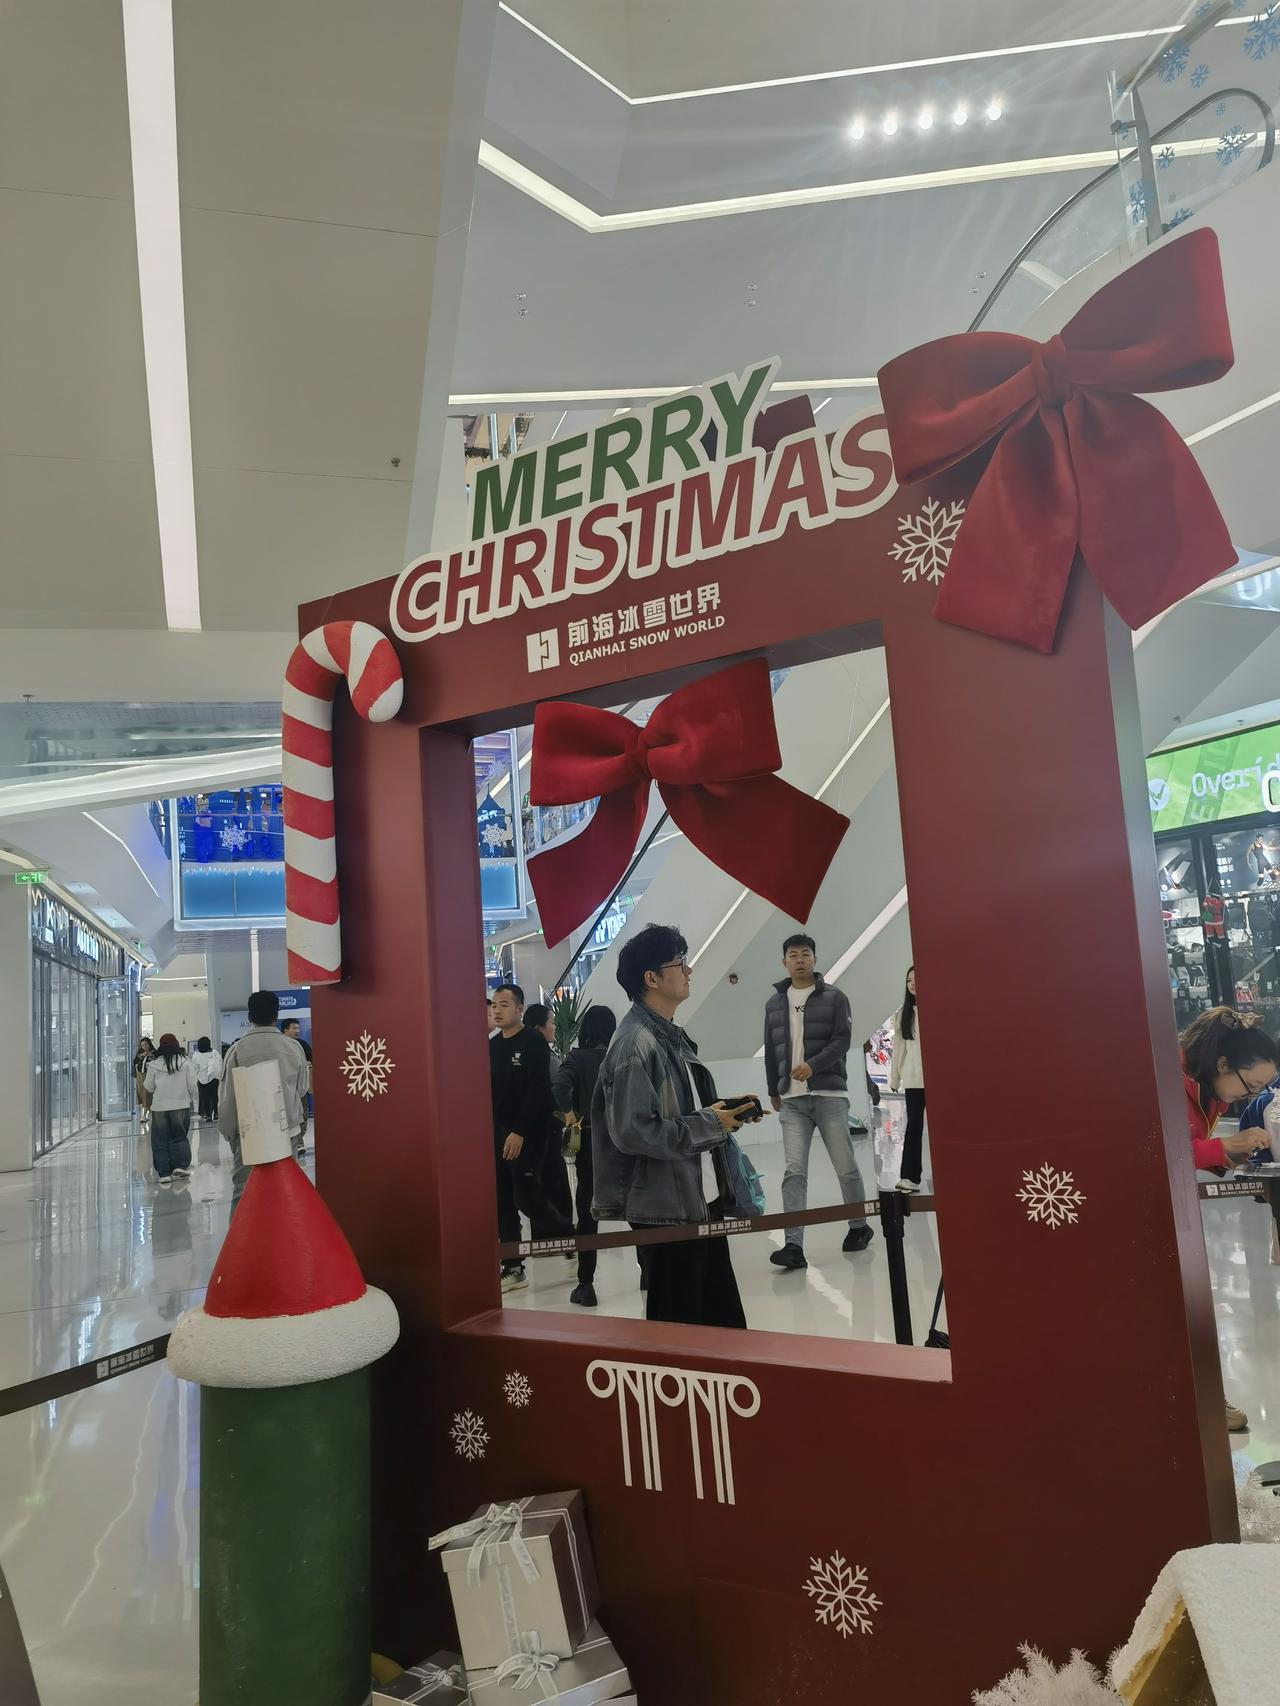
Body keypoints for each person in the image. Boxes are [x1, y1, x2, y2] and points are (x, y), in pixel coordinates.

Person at [592, 923, 753, 1330]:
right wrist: (709, 1123)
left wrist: (721, 1114)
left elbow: (676, 1112)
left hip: (696, 1198)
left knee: (720, 1321)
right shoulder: (635, 1045)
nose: (689, 970)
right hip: (666, 1209)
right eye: (680, 963)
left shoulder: (665, 1036)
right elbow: (634, 1131)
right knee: (679, 1329)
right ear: (652, 978)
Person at [1179, 1005, 1280, 1434]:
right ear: (1223, 1064)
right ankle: (1194, 1398)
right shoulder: (1165, 1082)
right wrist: (1223, 1148)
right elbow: (1152, 1150)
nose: (1249, 1096)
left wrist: (1232, 1156)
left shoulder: (1208, 1090)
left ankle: (1199, 1394)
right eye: (1250, 1085)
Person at [762, 934, 872, 1271]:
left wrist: (813, 1066)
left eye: (805, 954)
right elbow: (772, 1049)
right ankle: (793, 1245)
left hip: (829, 1095)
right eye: (793, 955)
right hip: (792, 1101)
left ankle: (859, 1226)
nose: (799, 960)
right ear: (784, 962)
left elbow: (841, 1041)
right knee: (794, 1172)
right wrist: (773, 1088)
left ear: (814, 959)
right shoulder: (774, 1003)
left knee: (845, 1165)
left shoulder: (835, 997)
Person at [489, 983, 571, 1294]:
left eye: (504, 1005)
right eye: (494, 1005)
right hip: (498, 1136)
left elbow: (538, 1091)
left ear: (520, 1009)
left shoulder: (534, 1042)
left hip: (530, 1134)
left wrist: (520, 1132)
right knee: (503, 1202)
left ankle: (568, 1235)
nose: (497, 1010)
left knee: (527, 1197)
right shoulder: (492, 1047)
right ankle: (513, 1267)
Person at [553, 1005, 617, 1308]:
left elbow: (559, 1085)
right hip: (622, 1139)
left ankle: (585, 1284)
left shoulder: (577, 1058)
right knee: (634, 1204)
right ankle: (646, 1272)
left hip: (590, 1139)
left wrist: (569, 1114)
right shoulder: (619, 1056)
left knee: (588, 1209)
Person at [219, 990, 310, 1201]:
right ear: (276, 1016)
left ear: (250, 1016)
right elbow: (302, 1089)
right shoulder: (294, 1047)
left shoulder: (236, 1050)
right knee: (286, 1193)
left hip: (249, 1135)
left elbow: (227, 1099)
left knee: (244, 1195)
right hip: (287, 1132)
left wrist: (230, 1134)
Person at [525, 1001, 574, 1228]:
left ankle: (548, 1232)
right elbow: (560, 1090)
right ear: (539, 1028)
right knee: (554, 1180)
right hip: (548, 1129)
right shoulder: (545, 1058)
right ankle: (560, 1230)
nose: (555, 1027)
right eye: (551, 1023)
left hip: (533, 1131)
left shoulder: (525, 1054)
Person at [143, 1033, 197, 1186]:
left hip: (160, 1107)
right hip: (181, 1105)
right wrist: (190, 1098)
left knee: (160, 1139)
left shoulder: (154, 1064)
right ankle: (180, 1165)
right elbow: (192, 1085)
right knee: (179, 1136)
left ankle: (164, 1173)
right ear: (176, 1044)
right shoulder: (185, 1062)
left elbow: (149, 1087)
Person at [890, 966, 926, 1192]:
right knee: (913, 1127)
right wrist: (894, 1078)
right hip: (913, 1081)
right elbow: (898, 1049)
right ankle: (909, 1177)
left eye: (916, 979)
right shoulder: (903, 1014)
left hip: (938, 1081)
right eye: (908, 980)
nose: (912, 983)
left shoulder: (938, 1008)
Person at [281, 1017, 314, 1137]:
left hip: (300, 1088)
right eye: (294, 1028)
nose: (297, 1031)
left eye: (298, 1028)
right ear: (285, 1030)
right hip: (283, 1088)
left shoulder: (302, 1044)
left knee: (303, 1114)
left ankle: (300, 1140)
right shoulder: (280, 1045)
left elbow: (312, 1060)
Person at [193, 1035, 223, 1123]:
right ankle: (216, 1114)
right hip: (214, 1078)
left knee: (205, 1098)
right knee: (215, 1096)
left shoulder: (196, 1055)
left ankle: (208, 1115)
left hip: (202, 1079)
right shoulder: (214, 1053)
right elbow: (220, 1063)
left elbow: (195, 1067)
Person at [134, 1036, 156, 1128]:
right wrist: (141, 1056)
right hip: (140, 1074)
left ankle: (144, 1114)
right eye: (142, 1045)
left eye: (146, 1045)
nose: (144, 1047)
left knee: (147, 1094)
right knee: (142, 1094)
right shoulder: (140, 1052)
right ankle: (150, 1112)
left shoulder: (154, 1053)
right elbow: (135, 1061)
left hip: (149, 1075)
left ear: (149, 1044)